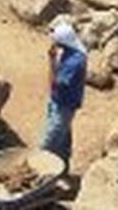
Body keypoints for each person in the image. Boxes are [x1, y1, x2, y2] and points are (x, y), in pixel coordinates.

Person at [40, 22, 87, 169]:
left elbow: (54, 82)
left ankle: (41, 180)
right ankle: (62, 171)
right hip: (58, 101)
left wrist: (51, 60)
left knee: (47, 145)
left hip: (64, 106)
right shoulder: (72, 51)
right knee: (63, 142)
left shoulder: (74, 62)